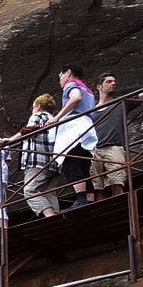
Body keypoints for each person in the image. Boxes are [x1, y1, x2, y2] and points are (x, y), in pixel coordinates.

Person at [49, 64, 97, 209]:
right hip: (87, 127)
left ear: (68, 73)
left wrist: (57, 117)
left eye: (60, 76)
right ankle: (89, 198)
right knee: (83, 165)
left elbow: (75, 98)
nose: (60, 80)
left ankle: (81, 200)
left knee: (71, 163)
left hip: (74, 128)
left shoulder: (71, 85)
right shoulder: (88, 90)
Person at [11, 94, 61, 217]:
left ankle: (50, 217)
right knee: (49, 192)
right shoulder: (53, 119)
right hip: (54, 162)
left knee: (30, 190)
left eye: (33, 107)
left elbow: (28, 131)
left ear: (38, 106)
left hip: (37, 161)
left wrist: (10, 140)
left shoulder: (38, 115)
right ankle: (57, 216)